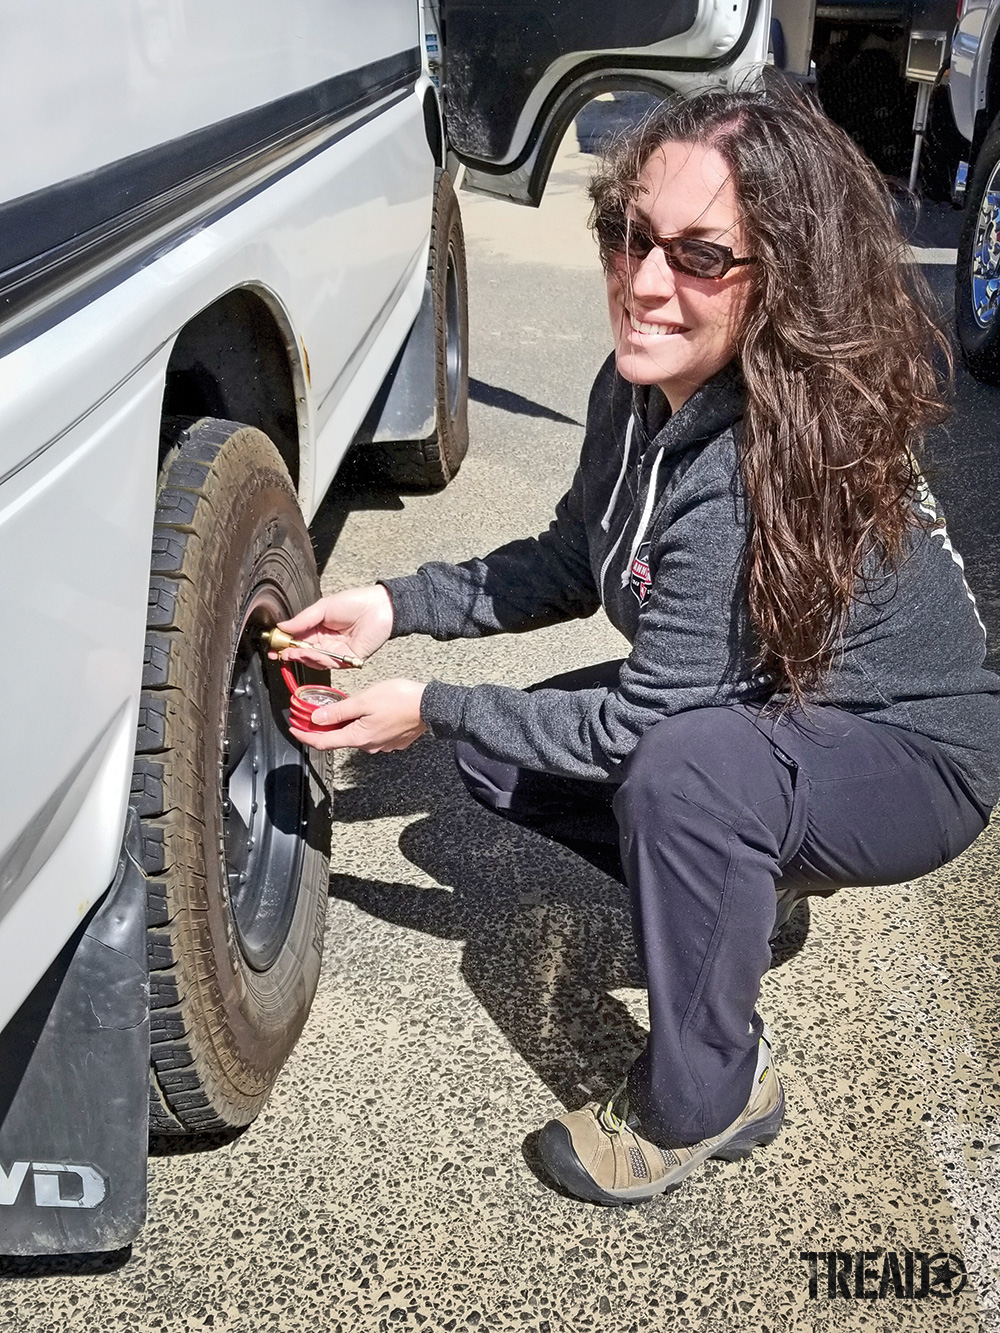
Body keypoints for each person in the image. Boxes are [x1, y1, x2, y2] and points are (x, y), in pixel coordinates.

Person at [272, 85, 1000, 1206]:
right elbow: (576, 556)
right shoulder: (640, 387)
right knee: (504, 759)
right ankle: (750, 885)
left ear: (781, 279)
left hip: (911, 754)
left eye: (703, 258)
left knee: (680, 773)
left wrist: (429, 700)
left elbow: (648, 726)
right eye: (631, 236)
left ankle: (710, 1096)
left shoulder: (757, 459)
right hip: (782, 697)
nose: (645, 283)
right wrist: (392, 605)